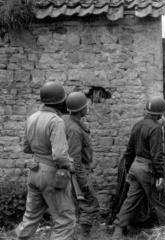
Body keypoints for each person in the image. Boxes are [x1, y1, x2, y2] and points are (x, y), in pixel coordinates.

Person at [16, 81, 76, 240]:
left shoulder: (32, 118)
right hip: (51, 173)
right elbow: (59, 156)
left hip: (34, 171)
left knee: (30, 216)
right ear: (59, 101)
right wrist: (70, 165)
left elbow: (26, 147)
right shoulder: (56, 121)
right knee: (65, 220)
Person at [112, 96, 165, 239]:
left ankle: (118, 230)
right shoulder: (156, 128)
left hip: (135, 166)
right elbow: (157, 156)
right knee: (159, 199)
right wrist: (160, 176)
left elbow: (129, 151)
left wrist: (128, 168)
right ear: (160, 113)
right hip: (147, 168)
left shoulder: (138, 124)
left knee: (131, 200)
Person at [64, 92, 100, 239]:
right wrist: (83, 182)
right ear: (80, 110)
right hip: (78, 172)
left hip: (80, 170)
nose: (88, 107)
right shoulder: (74, 129)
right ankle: (84, 236)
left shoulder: (71, 122)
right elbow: (75, 159)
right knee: (89, 204)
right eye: (85, 105)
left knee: (82, 205)